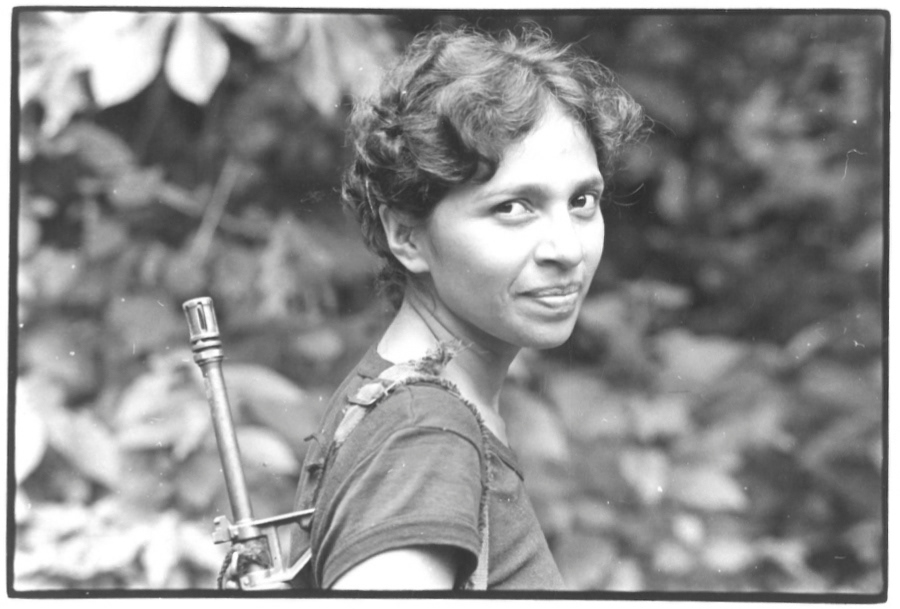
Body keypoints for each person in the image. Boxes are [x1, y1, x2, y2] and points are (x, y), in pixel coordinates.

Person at [289, 24, 644, 591]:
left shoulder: (413, 408)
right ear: (406, 235)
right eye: (513, 207)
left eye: (582, 200)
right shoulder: (424, 436)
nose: (568, 249)